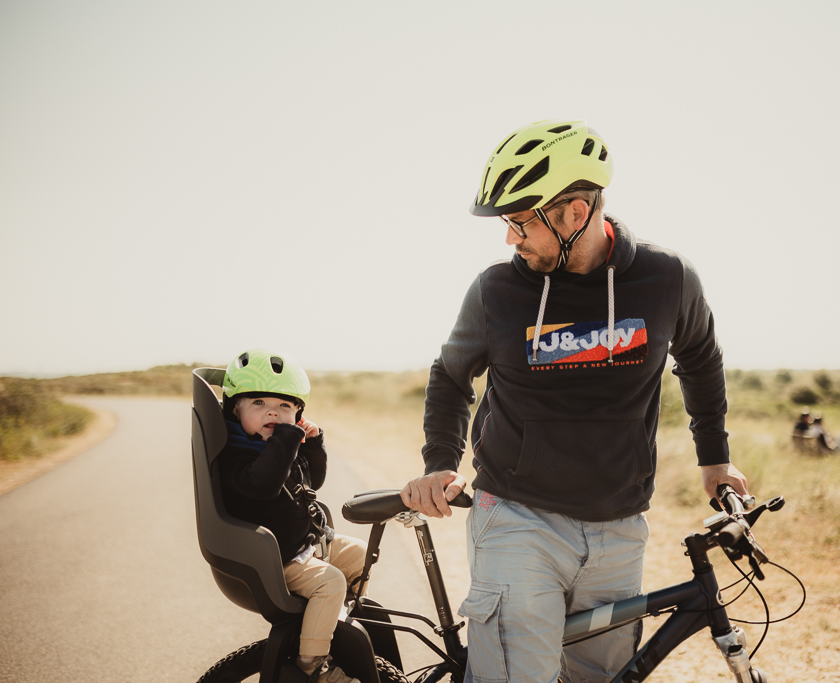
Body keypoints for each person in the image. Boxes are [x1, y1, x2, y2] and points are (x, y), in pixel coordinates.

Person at [401, 120, 748, 683]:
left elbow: (701, 358)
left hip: (619, 526)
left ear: (574, 213)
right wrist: (440, 461)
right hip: (516, 518)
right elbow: (450, 375)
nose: (510, 239)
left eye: (519, 222)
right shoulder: (496, 291)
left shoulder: (667, 278)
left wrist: (715, 458)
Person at [218, 349, 365, 683]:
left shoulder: (278, 446)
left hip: (303, 545)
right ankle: (312, 664)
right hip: (275, 560)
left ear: (298, 412)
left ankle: (337, 623)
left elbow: (312, 481)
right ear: (235, 409)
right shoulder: (237, 454)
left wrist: (311, 445)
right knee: (331, 583)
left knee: (358, 552)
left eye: (285, 406)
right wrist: (286, 438)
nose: (273, 411)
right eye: (258, 403)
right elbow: (263, 486)